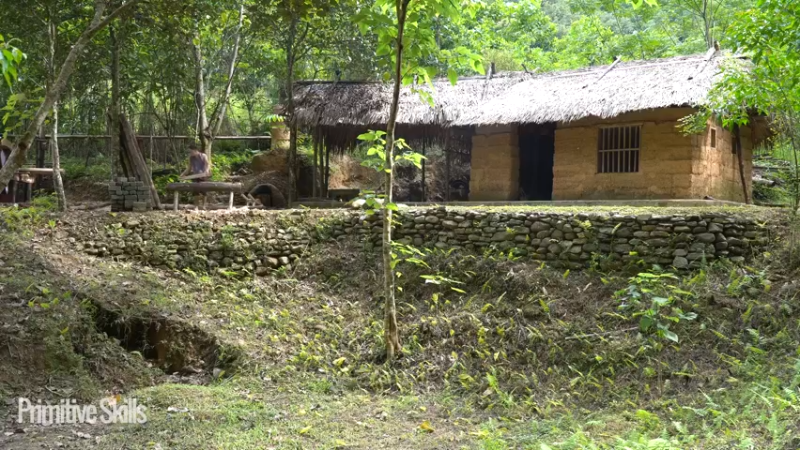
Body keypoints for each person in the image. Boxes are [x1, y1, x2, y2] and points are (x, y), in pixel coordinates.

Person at [179, 142, 211, 208]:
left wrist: (205, 172)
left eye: (191, 151)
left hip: (203, 175)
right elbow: (189, 168)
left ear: (195, 150)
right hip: (195, 175)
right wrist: (183, 174)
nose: (190, 153)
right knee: (195, 191)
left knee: (204, 191)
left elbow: (207, 165)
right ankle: (196, 206)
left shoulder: (203, 156)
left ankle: (203, 206)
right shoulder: (191, 158)